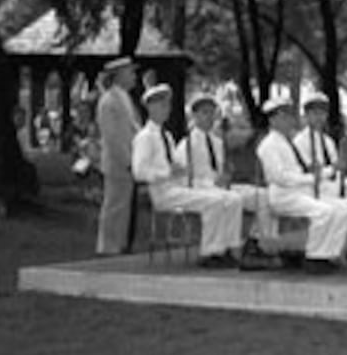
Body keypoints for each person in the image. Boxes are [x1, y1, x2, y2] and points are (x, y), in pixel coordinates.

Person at [130, 85, 246, 268]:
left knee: (229, 198)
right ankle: (210, 252)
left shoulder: (166, 136)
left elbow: (177, 167)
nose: (166, 110)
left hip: (176, 187)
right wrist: (168, 172)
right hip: (162, 192)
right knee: (214, 201)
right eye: (161, 106)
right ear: (150, 108)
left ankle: (227, 247)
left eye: (167, 105)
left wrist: (181, 171)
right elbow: (139, 172)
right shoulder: (145, 137)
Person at [255, 97, 347, 273]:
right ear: (272, 120)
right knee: (324, 212)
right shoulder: (269, 145)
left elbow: (301, 173)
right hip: (283, 196)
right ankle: (314, 257)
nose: (289, 121)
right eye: (283, 117)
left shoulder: (287, 142)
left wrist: (320, 174)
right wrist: (311, 178)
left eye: (289, 116)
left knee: (343, 210)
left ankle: (328, 254)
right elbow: (279, 177)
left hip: (299, 192)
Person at [176, 93, 277, 260]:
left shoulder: (217, 142)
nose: (209, 117)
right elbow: (185, 179)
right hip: (202, 189)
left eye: (211, 113)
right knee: (229, 199)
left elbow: (222, 169)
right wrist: (212, 182)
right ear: (194, 116)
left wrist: (227, 175)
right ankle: (223, 248)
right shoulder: (186, 144)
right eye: (204, 113)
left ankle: (259, 242)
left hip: (223, 187)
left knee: (264, 197)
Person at [293, 92, 347, 260]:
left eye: (322, 114)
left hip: (333, 187)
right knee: (344, 209)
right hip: (314, 189)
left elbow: (338, 168)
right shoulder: (300, 141)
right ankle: (329, 253)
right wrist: (331, 171)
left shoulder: (327, 141)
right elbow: (310, 171)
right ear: (306, 116)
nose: (319, 118)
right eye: (314, 114)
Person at [96, 57, 141, 255]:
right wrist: (127, 161)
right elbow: (113, 137)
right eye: (130, 72)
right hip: (117, 163)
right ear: (120, 75)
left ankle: (120, 243)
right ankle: (107, 245)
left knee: (124, 205)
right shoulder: (109, 101)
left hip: (129, 160)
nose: (134, 76)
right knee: (114, 204)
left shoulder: (124, 98)